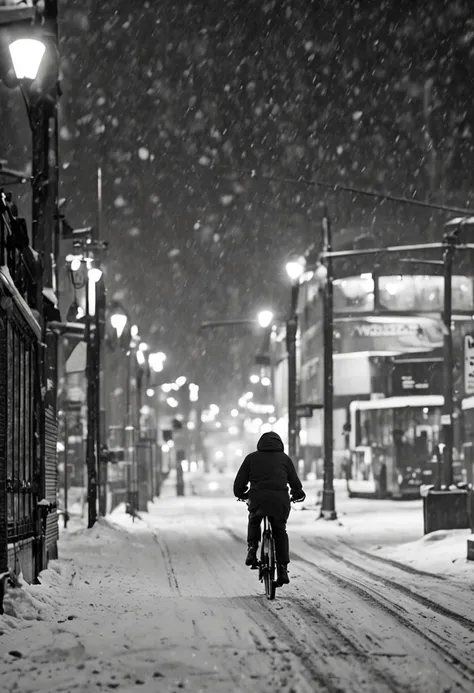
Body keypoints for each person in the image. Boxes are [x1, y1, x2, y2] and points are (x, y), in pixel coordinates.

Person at [233, 431, 306, 586]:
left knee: (254, 520)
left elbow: (239, 483)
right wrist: (297, 494)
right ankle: (282, 568)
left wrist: (243, 494)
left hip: (258, 498)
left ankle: (252, 549)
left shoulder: (251, 458)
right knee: (280, 531)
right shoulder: (284, 459)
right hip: (279, 501)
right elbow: (295, 483)